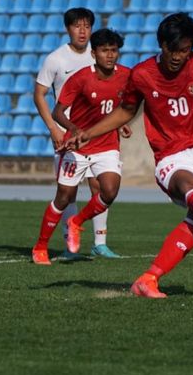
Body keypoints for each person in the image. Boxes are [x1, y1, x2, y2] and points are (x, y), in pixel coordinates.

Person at [68, 13, 193, 298]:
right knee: (191, 189)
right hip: (171, 155)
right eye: (174, 49)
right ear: (162, 45)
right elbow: (127, 111)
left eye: (185, 50)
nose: (180, 56)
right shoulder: (142, 74)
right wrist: (89, 132)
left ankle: (149, 279)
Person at [33, 28, 130, 265]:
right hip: (77, 147)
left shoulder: (127, 76)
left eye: (114, 50)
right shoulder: (80, 78)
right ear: (94, 53)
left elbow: (126, 107)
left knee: (109, 190)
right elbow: (57, 111)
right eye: (104, 50)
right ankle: (40, 246)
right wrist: (73, 128)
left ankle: (77, 223)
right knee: (64, 197)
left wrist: (122, 125)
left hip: (106, 145)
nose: (110, 55)